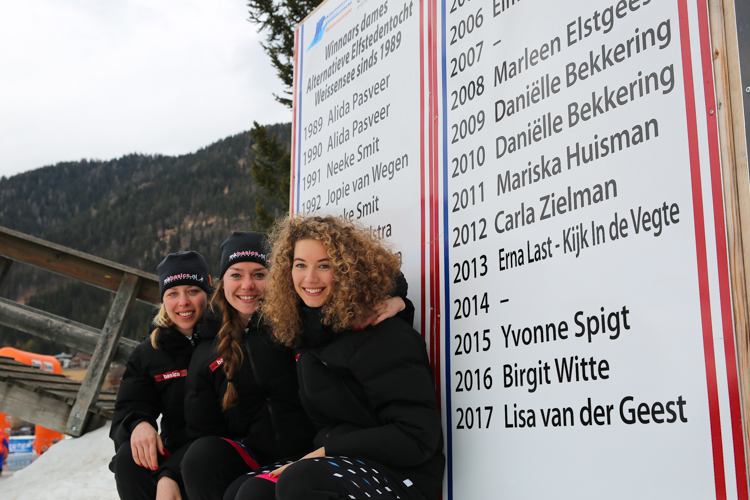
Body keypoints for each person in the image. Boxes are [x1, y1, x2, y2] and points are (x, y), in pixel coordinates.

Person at [181, 231, 412, 500]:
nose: (247, 285)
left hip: (314, 448)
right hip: (258, 456)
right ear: (222, 283)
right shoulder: (207, 348)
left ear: (276, 277)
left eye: (259, 274)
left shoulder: (296, 319)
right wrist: (167, 474)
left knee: (251, 492)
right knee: (203, 459)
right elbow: (200, 430)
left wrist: (397, 299)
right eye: (236, 275)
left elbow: (359, 290)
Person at [233, 215, 444, 500]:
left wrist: (327, 451)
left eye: (324, 265)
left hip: (403, 474)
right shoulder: (306, 335)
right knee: (250, 490)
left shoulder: (383, 332)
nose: (310, 278)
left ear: (347, 269)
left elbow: (418, 436)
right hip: (340, 462)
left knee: (300, 481)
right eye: (300, 265)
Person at [110, 251, 211, 500]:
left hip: (216, 450)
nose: (183, 302)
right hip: (175, 449)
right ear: (163, 300)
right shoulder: (150, 353)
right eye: (173, 293)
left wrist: (170, 473)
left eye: (193, 291)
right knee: (128, 458)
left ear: (208, 293)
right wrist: (138, 424)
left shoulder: (225, 340)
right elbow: (127, 410)